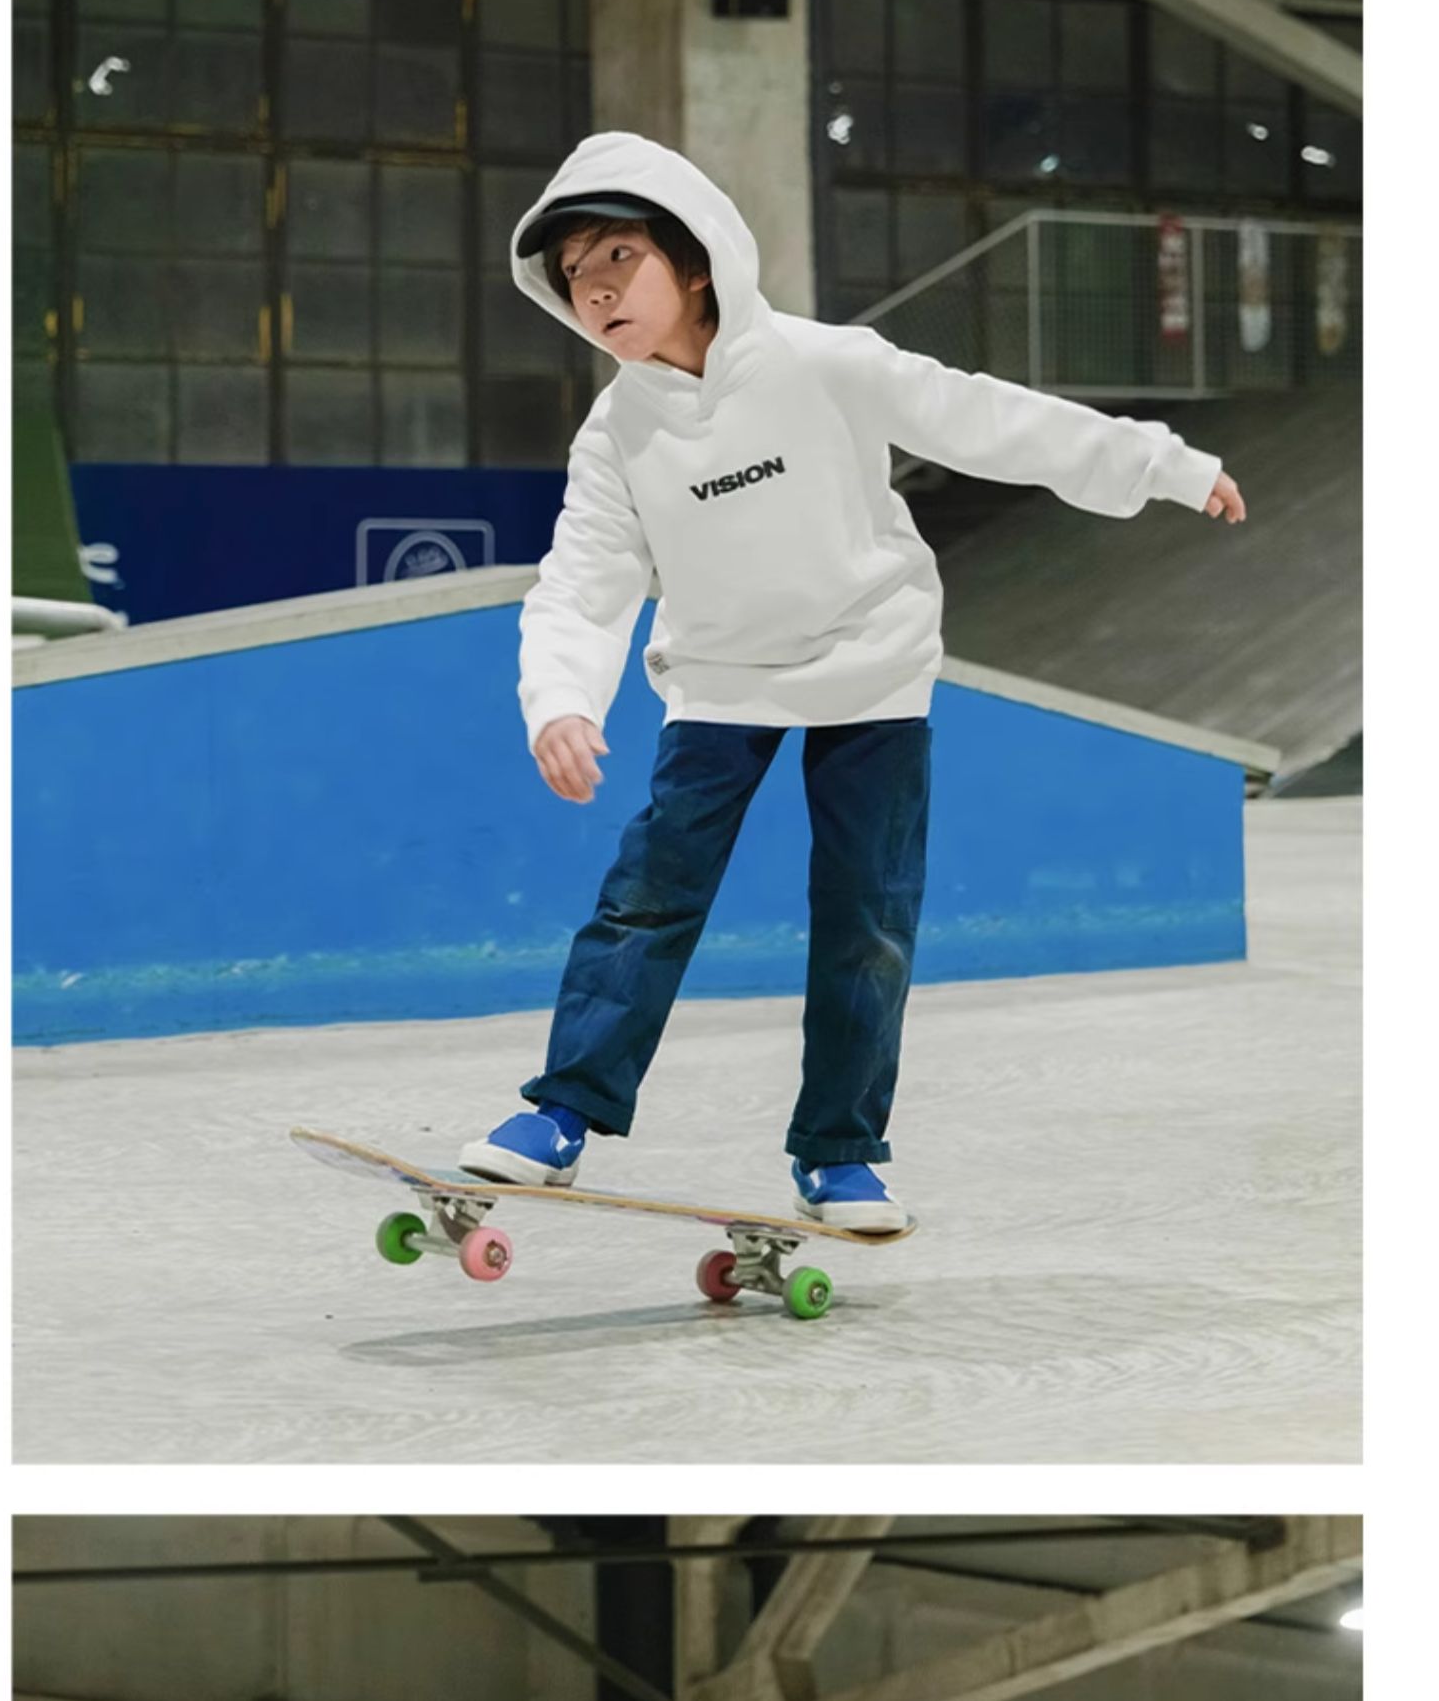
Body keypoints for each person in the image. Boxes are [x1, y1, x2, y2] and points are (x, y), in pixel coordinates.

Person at [460, 131, 1245, 1228]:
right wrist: (561, 701)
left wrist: (1164, 465)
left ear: (695, 262)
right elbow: (582, 581)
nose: (595, 291)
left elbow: (991, 420)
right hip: (721, 679)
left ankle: (839, 1154)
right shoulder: (617, 433)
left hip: (871, 666)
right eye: (575, 275)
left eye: (619, 259)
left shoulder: (826, 363)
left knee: (867, 918)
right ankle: (560, 1116)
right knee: (645, 901)